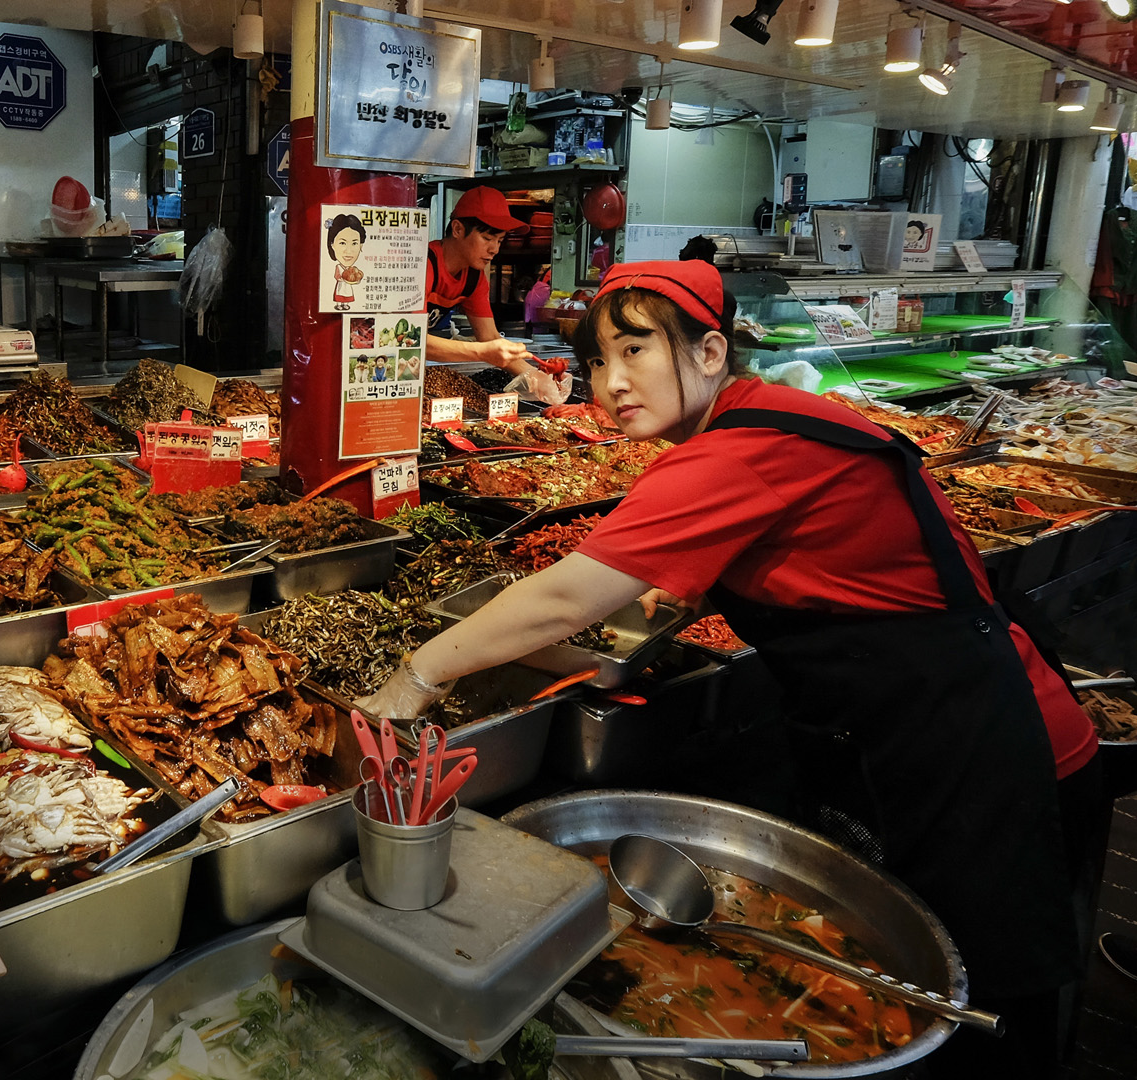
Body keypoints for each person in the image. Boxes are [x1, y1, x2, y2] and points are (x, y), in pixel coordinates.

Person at [359, 258, 1102, 1078]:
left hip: (981, 743)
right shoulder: (761, 420)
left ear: (711, 353)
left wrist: (421, 675)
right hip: (926, 722)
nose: (610, 383)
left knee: (973, 1012)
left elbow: (566, 599)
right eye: (598, 360)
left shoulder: (745, 448)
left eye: (635, 351)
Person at [426, 186, 561, 401]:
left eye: (500, 240)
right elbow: (409, 341)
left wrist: (536, 377)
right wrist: (481, 352)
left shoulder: (474, 277)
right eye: (488, 238)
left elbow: (489, 337)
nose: (495, 250)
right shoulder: (424, 265)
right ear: (458, 229)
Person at [327, 214, 365, 310]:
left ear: (361, 245)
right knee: (340, 293)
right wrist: (342, 279)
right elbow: (336, 275)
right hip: (341, 283)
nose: (348, 251)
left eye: (354, 243)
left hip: (347, 285)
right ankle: (339, 304)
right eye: (342, 243)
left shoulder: (352, 269)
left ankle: (345, 304)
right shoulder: (338, 267)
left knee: (347, 293)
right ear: (332, 245)